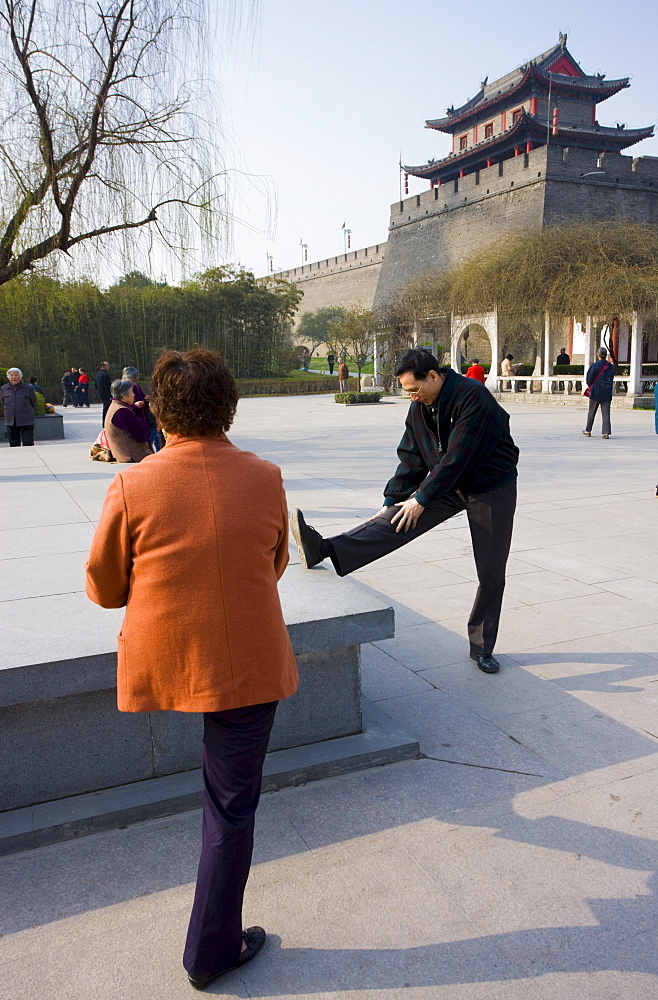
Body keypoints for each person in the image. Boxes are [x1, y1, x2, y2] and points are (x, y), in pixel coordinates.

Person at [85, 348, 298, 990]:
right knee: (230, 808)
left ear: (160, 410)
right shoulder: (265, 476)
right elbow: (275, 562)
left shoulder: (132, 482)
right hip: (247, 662)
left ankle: (212, 944)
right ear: (229, 406)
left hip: (169, 657)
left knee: (223, 804)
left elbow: (103, 587)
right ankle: (212, 950)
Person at [290, 349, 519, 674]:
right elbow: (410, 459)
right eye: (406, 391)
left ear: (434, 376)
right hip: (448, 482)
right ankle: (323, 548)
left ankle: (482, 647)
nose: (411, 396)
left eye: (414, 389)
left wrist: (421, 498)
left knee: (491, 570)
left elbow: (458, 457)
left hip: (490, 486)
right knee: (399, 516)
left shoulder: (473, 397)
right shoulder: (419, 409)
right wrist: (390, 502)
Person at [104, 379, 152, 463]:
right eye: (131, 392)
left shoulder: (115, 407)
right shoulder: (122, 411)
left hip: (125, 455)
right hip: (132, 456)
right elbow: (142, 433)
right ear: (124, 395)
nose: (134, 395)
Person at [582, 347, 615, 439]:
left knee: (591, 411)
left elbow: (589, 378)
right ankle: (606, 432)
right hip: (607, 391)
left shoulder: (595, 365)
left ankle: (588, 430)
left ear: (598, 355)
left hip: (596, 391)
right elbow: (612, 377)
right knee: (606, 413)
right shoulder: (611, 366)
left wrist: (591, 385)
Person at [1, 368, 36, 446]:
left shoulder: (28, 388)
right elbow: (3, 402)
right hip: (11, 421)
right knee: (14, 445)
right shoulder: (4, 389)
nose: (14, 377)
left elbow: (33, 402)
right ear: (8, 377)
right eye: (12, 375)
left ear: (20, 377)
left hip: (26, 420)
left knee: (28, 444)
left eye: (16, 375)